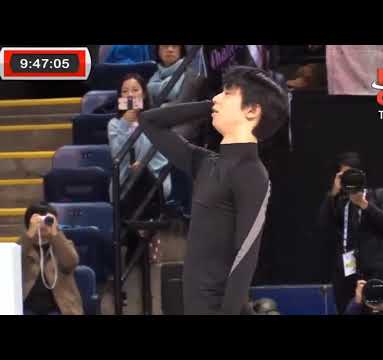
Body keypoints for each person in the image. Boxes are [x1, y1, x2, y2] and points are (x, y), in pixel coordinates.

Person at [140, 66, 289, 314]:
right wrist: (208, 106)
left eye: (228, 93)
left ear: (251, 110)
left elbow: (246, 256)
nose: (217, 98)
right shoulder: (206, 162)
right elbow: (149, 121)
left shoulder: (252, 173)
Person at [317, 152, 383, 314]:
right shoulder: (340, 201)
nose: (349, 179)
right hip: (347, 272)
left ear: (363, 175)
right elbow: (323, 225)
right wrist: (333, 193)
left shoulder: (380, 195)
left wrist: (363, 204)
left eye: (352, 174)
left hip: (376, 270)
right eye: (344, 175)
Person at [108, 73, 172, 264]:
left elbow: (160, 154)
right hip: (125, 181)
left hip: (153, 178)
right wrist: (126, 124)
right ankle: (144, 236)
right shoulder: (114, 124)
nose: (130, 95)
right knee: (132, 184)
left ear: (144, 94)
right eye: (125, 91)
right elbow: (117, 155)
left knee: (142, 177)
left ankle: (137, 238)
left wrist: (143, 165)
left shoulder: (155, 120)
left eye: (135, 90)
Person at [18, 202, 83, 315]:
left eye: (48, 220)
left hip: (60, 308)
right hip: (26, 307)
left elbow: (70, 263)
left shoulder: (63, 244)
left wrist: (55, 234)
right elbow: (12, 264)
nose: (43, 224)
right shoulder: (21, 246)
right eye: (38, 221)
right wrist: (30, 234)